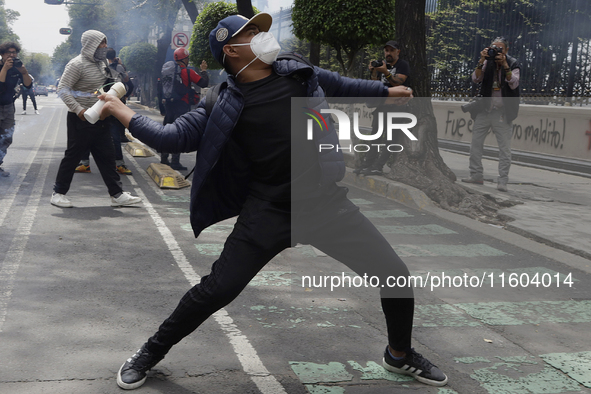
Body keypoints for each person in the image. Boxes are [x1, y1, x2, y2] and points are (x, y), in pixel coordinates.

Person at [100, 13, 447, 390]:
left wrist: (385, 91)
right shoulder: (220, 101)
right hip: (268, 212)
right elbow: (172, 137)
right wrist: (121, 111)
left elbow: (336, 82)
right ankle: (149, 353)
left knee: (394, 274)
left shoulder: (294, 70)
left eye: (260, 28)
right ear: (232, 50)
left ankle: (399, 355)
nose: (262, 34)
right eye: (251, 32)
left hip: (325, 204)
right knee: (217, 289)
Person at [51, 30, 141, 208]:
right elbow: (62, 89)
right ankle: (58, 193)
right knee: (73, 156)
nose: (105, 47)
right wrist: (79, 110)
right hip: (81, 119)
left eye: (105, 43)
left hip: (100, 118)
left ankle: (117, 194)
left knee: (107, 156)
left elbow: (105, 85)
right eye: (101, 43)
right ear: (91, 44)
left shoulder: (102, 64)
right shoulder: (76, 64)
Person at [461, 37, 520, 192]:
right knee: (475, 144)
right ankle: (476, 175)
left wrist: (505, 64)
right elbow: (475, 78)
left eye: (500, 48)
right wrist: (482, 60)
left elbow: (514, 83)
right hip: (484, 110)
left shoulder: (513, 63)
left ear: (506, 50)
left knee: (504, 148)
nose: (496, 51)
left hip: (502, 112)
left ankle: (502, 181)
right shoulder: (487, 62)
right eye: (494, 47)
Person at [74, 48, 133, 175]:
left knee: (89, 132)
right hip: (115, 105)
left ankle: (85, 163)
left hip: (100, 105)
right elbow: (128, 82)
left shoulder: (100, 67)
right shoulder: (119, 68)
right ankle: (119, 164)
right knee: (114, 135)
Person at [355, 40, 411, 176]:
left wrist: (386, 72)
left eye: (392, 50)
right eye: (386, 50)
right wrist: (374, 72)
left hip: (397, 107)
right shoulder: (382, 65)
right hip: (382, 106)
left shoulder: (403, 65)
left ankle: (378, 166)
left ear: (398, 52)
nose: (389, 53)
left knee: (390, 139)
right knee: (375, 136)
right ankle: (367, 163)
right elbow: (375, 86)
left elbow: (398, 81)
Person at [160, 47, 209, 171]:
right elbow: (204, 83)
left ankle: (164, 159)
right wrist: (203, 71)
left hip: (169, 106)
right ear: (184, 59)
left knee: (166, 132)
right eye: (187, 58)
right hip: (181, 106)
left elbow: (159, 88)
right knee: (178, 133)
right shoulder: (188, 72)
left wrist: (162, 108)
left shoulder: (167, 72)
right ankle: (175, 161)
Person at [0, 41, 33, 177]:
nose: (12, 55)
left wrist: (24, 73)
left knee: (7, 138)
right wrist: (5, 69)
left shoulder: (16, 67)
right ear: (2, 54)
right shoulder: (4, 67)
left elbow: (28, 86)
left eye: (14, 53)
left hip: (8, 107)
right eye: (9, 53)